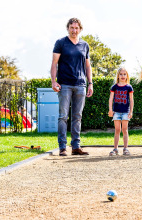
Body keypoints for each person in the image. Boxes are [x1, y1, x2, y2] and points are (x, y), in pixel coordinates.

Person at [50, 18, 93, 156]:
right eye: (72, 27)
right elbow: (54, 63)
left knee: (77, 116)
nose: (74, 30)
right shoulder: (61, 43)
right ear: (68, 28)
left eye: (76, 28)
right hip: (65, 85)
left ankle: (76, 147)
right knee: (63, 116)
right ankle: (62, 147)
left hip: (80, 85)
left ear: (80, 29)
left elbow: (87, 66)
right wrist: (53, 81)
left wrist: (90, 83)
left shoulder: (85, 45)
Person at [108, 67, 134, 156]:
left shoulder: (129, 87)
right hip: (116, 112)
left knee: (125, 129)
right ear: (118, 76)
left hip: (126, 112)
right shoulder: (114, 87)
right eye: (121, 74)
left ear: (127, 76)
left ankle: (125, 149)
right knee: (117, 130)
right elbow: (111, 99)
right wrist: (110, 110)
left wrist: (131, 111)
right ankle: (115, 149)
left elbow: (131, 100)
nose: (123, 76)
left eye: (124, 74)